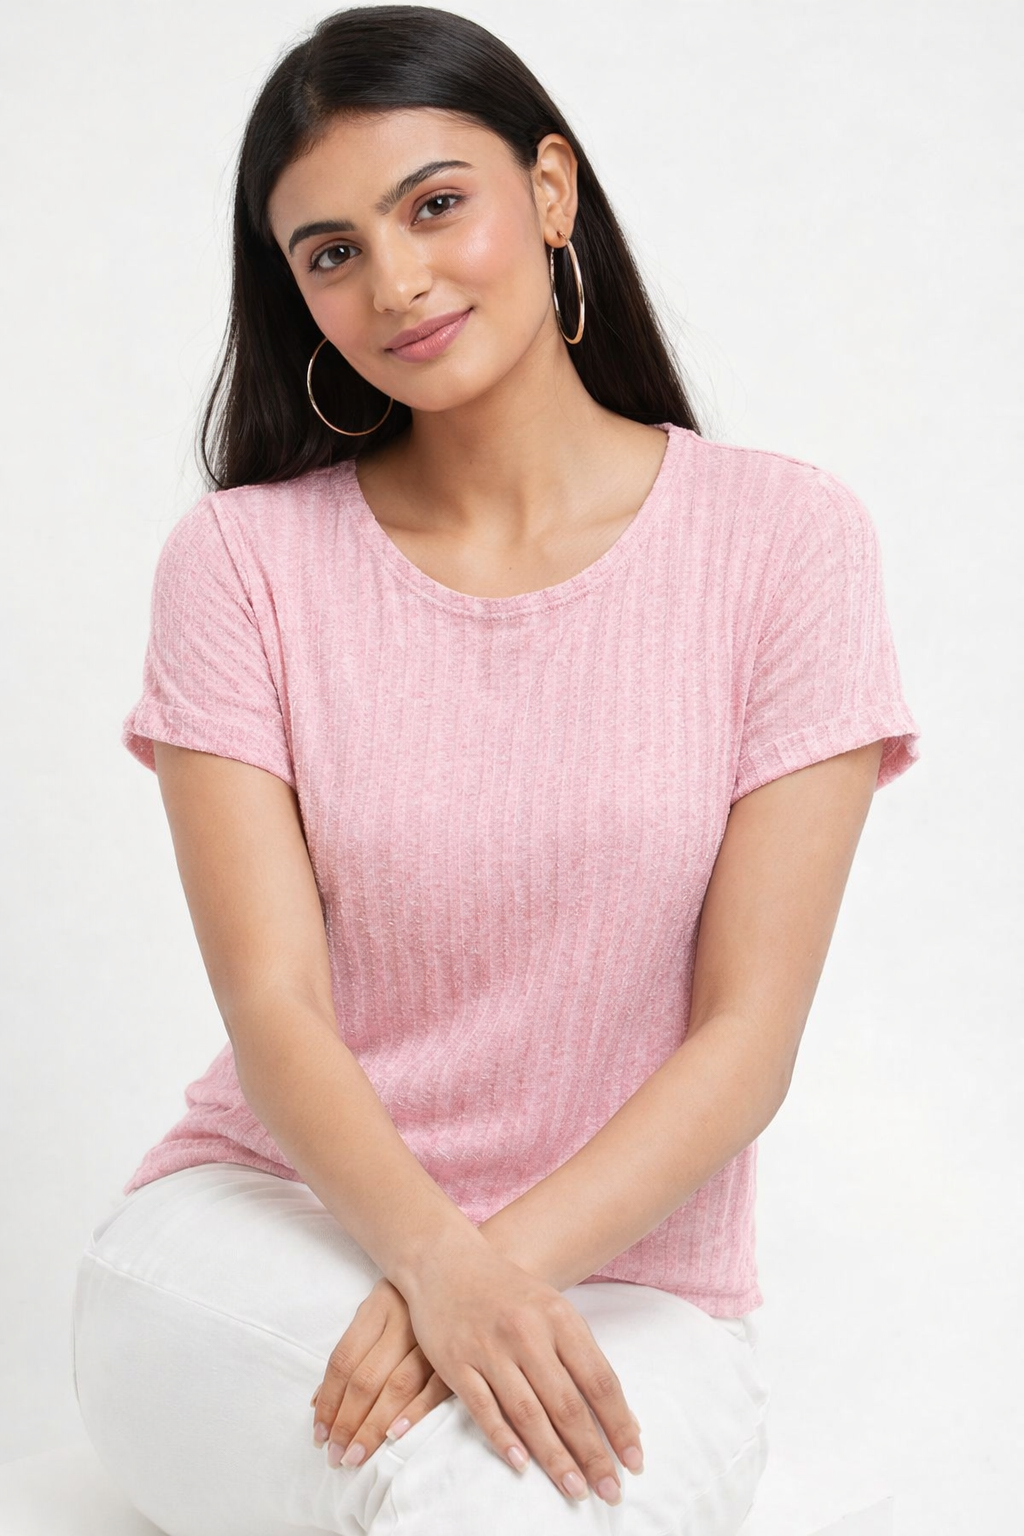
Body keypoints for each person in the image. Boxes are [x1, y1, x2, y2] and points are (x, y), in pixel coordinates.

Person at [70, 6, 922, 1534]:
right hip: (264, 1232)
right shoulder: (243, 565)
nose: (395, 282)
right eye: (332, 251)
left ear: (549, 190)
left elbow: (746, 1037)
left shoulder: (785, 545)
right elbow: (274, 1004)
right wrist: (432, 1262)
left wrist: (485, 1274)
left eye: (435, 205)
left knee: (504, 1500)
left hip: (637, 1284)